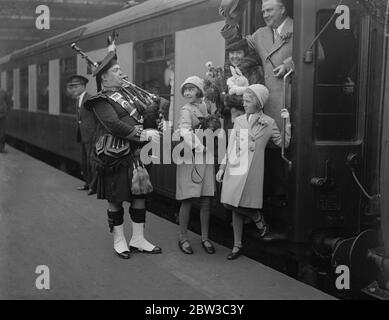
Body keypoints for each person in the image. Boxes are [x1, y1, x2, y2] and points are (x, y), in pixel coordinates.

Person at [84, 51, 162, 259]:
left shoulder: (129, 94)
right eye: (116, 71)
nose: (122, 73)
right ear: (105, 77)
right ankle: (119, 240)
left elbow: (145, 116)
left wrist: (154, 119)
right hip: (115, 156)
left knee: (139, 195)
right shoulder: (99, 100)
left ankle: (138, 239)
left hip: (136, 154)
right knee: (115, 197)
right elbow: (113, 124)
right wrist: (141, 133)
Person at [216, 84, 291, 260]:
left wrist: (287, 123)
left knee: (237, 205)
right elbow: (231, 146)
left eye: (248, 101)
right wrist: (222, 167)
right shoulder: (239, 120)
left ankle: (237, 246)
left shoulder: (269, 123)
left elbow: (283, 144)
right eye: (244, 100)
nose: (245, 104)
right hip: (235, 167)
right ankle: (258, 219)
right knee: (229, 203)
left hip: (252, 171)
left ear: (258, 103)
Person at [175, 76, 216, 255]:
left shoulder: (205, 107)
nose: (187, 93)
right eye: (185, 90)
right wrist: (200, 147)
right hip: (191, 157)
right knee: (188, 199)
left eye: (191, 89)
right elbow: (184, 131)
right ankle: (183, 238)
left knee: (206, 199)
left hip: (205, 158)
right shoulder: (186, 110)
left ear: (199, 91)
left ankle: (205, 238)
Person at [66, 75, 95, 193]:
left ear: (83, 86)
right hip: (82, 135)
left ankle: (94, 186)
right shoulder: (79, 99)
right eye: (72, 87)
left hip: (91, 136)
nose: (73, 89)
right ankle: (88, 183)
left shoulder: (90, 99)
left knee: (91, 162)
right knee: (84, 162)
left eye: (76, 87)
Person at [0, 88, 11, 154]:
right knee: (2, 132)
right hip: (3, 115)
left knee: (2, 132)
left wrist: (6, 111)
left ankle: (1, 148)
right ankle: (1, 148)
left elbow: (8, 102)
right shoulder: (3, 92)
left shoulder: (3, 92)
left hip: (2, 115)